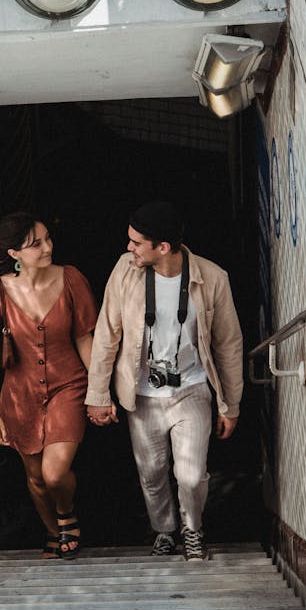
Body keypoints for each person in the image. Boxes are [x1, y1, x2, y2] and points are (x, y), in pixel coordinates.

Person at [85, 200, 243, 560]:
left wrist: (230, 403)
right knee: (152, 472)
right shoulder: (125, 271)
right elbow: (107, 332)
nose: (129, 248)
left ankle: (193, 529)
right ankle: (163, 530)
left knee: (190, 474)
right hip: (142, 394)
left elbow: (229, 344)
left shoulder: (212, 278)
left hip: (191, 388)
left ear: (163, 247)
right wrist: (98, 393)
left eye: (137, 243)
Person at [0, 213, 97, 559]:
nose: (48, 248)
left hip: (69, 384)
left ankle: (65, 515)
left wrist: (101, 392)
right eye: (36, 244)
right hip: (18, 395)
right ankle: (52, 533)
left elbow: (85, 339)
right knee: (36, 478)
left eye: (47, 239)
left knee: (54, 472)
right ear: (14, 253)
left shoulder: (71, 278)